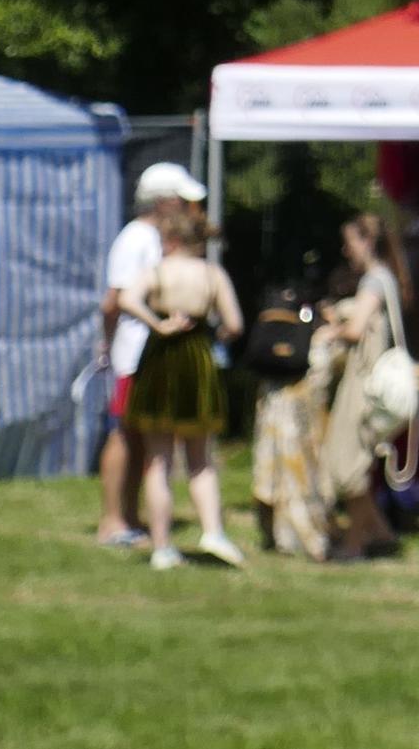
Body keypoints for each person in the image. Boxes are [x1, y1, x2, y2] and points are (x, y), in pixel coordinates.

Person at [257, 210, 414, 562]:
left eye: (350, 243)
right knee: (355, 462)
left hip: (364, 383)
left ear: (367, 242)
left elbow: (356, 330)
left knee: (348, 466)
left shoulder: (375, 280)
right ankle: (382, 534)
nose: (346, 251)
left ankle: (355, 545)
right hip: (368, 381)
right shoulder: (386, 278)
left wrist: (332, 330)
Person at [118, 197, 244, 569]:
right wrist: (217, 337)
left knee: (159, 460)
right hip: (197, 360)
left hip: (160, 361)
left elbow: (127, 299)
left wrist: (157, 324)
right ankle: (213, 531)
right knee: (200, 458)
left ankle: (162, 547)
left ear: (171, 240)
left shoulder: (157, 271)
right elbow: (234, 324)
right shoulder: (212, 274)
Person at [94, 162, 207, 548]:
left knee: (142, 437)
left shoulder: (153, 238)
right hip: (134, 354)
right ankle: (112, 520)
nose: (188, 208)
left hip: (151, 354)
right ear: (163, 201)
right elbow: (114, 301)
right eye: (182, 200)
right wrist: (109, 344)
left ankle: (130, 516)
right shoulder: (136, 238)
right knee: (124, 434)